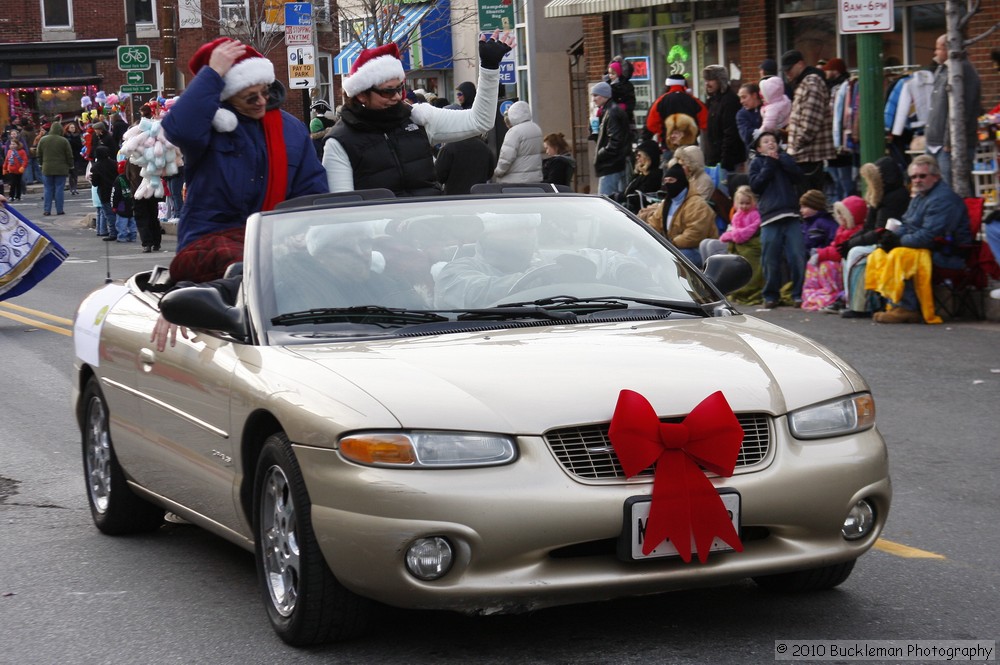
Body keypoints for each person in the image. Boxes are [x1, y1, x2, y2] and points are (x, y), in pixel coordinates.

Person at [162, 37, 328, 283]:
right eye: (250, 97)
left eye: (265, 92)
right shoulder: (209, 127)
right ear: (227, 98)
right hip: (211, 246)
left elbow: (313, 189)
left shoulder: (291, 129)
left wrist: (301, 229)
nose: (262, 101)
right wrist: (213, 74)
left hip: (277, 245)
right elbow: (179, 128)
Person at [323, 34, 513, 196]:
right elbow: (344, 210)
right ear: (361, 94)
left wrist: (489, 68)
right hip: (380, 238)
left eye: (400, 88)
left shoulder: (417, 118)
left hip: (429, 232)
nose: (398, 96)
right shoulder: (340, 141)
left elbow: (480, 121)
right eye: (387, 91)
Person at [865, 154, 972, 324]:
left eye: (922, 176)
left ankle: (907, 308)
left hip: (948, 254)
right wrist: (892, 236)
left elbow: (928, 236)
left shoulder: (942, 199)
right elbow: (907, 224)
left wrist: (898, 241)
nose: (917, 180)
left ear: (935, 177)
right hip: (927, 248)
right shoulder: (921, 196)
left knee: (899, 255)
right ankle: (892, 303)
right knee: (879, 253)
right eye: (914, 177)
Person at [839, 156, 910, 318]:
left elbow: (880, 230)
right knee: (848, 252)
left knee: (855, 253)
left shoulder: (896, 196)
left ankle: (860, 306)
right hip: (880, 239)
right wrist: (849, 242)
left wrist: (853, 243)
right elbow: (868, 227)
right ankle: (849, 299)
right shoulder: (880, 195)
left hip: (889, 243)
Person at [748, 130, 806, 308]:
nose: (770, 143)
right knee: (770, 258)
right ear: (758, 148)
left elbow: (798, 176)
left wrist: (781, 159)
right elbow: (756, 186)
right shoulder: (757, 163)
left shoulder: (785, 159)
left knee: (797, 255)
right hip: (770, 216)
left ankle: (798, 294)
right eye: (765, 141)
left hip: (791, 213)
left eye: (773, 141)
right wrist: (770, 163)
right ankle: (771, 295)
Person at [925, 34, 981, 189]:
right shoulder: (942, 69)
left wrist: (950, 140)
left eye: (938, 48)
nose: (935, 53)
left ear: (949, 49)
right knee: (930, 186)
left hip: (948, 145)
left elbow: (964, 109)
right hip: (933, 141)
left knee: (951, 187)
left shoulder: (964, 71)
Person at [699, 184, 764, 305]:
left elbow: (746, 232)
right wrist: (730, 235)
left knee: (711, 246)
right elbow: (732, 231)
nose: (744, 206)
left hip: (745, 243)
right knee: (705, 243)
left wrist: (733, 235)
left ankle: (717, 281)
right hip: (734, 240)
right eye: (741, 203)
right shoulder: (737, 215)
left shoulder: (755, 215)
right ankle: (708, 277)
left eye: (747, 203)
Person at [644, 161, 718, 267]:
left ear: (681, 182)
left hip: (696, 250)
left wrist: (671, 244)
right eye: (666, 181)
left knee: (669, 262)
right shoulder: (667, 203)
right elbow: (654, 223)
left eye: (671, 180)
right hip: (673, 247)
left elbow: (695, 234)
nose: (668, 184)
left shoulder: (697, 204)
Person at [781, 50, 835, 193]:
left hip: (808, 157)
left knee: (808, 203)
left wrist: (795, 147)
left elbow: (809, 125)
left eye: (789, 68)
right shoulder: (805, 83)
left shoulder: (811, 83)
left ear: (800, 64)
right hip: (805, 155)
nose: (787, 73)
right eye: (785, 70)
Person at [801, 194, 866, 311]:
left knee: (827, 265)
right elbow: (833, 246)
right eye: (839, 214)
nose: (840, 217)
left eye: (843, 214)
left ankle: (831, 294)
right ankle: (818, 292)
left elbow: (838, 251)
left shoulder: (854, 231)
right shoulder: (841, 230)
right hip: (835, 258)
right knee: (814, 264)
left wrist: (821, 253)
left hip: (842, 262)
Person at [644, 75, 708, 152]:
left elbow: (650, 125)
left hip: (668, 146)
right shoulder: (694, 101)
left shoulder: (660, 101)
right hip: (690, 147)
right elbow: (706, 123)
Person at [590, 80, 630, 197]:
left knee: (605, 201)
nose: (593, 99)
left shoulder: (611, 112)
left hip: (611, 165)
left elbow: (615, 141)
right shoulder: (609, 111)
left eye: (596, 95)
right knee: (617, 200)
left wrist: (601, 153)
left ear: (605, 96)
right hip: (615, 163)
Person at [702, 65, 743, 176]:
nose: (707, 83)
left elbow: (730, 133)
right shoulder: (712, 100)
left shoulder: (730, 101)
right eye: (706, 80)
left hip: (726, 161)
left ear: (720, 80)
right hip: (713, 158)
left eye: (711, 79)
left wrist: (725, 161)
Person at [823, 58, 854, 203]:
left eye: (828, 69)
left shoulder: (843, 87)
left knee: (842, 177)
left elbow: (836, 113)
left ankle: (845, 202)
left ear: (835, 70)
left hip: (840, 139)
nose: (826, 73)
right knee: (837, 176)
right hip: (835, 139)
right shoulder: (835, 87)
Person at [492, 100, 543, 184]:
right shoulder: (536, 128)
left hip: (514, 181)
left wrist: (498, 172)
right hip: (534, 179)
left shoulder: (514, 132)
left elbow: (506, 158)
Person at [35, 121, 73, 216]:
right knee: (59, 189)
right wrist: (71, 165)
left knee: (48, 189)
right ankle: (59, 210)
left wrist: (41, 164)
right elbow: (69, 155)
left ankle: (47, 210)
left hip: (47, 168)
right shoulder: (64, 141)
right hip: (61, 168)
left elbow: (38, 154)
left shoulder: (43, 140)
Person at [617, 140, 662, 214]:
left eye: (639, 155)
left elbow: (637, 195)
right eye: (636, 156)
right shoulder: (641, 173)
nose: (637, 158)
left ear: (648, 157)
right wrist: (636, 173)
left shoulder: (654, 175)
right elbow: (628, 189)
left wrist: (618, 197)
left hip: (640, 211)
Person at [799, 189, 838, 259]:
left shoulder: (824, 222)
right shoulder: (805, 224)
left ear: (815, 206)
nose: (801, 210)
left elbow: (834, 240)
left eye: (804, 207)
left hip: (821, 259)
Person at [89, 145, 118, 240]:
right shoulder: (115, 164)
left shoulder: (95, 167)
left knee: (109, 213)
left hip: (104, 193)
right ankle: (123, 230)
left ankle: (113, 233)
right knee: (120, 211)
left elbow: (95, 183)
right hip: (117, 191)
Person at [110, 159, 138, 244]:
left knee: (121, 221)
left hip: (121, 204)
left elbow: (115, 194)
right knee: (132, 221)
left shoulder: (119, 179)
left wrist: (114, 206)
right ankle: (133, 236)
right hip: (132, 202)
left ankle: (122, 236)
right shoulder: (133, 177)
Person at [736, 83, 763, 158]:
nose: (741, 101)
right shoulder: (741, 114)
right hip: (754, 157)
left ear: (754, 95)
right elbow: (746, 135)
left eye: (744, 97)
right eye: (740, 98)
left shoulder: (767, 108)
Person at [63, 121, 86, 195]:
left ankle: (74, 188)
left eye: (73, 127)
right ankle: (71, 187)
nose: (73, 129)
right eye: (71, 127)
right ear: (68, 128)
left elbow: (79, 145)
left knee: (75, 172)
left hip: (76, 155)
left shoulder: (77, 136)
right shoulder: (65, 136)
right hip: (69, 156)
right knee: (70, 173)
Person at [3, 137, 28, 201]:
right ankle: (11, 196)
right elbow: (6, 160)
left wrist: (23, 167)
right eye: (11, 144)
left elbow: (25, 160)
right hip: (11, 169)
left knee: (18, 183)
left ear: (17, 144)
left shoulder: (22, 151)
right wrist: (4, 168)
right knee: (12, 183)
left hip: (19, 170)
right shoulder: (9, 151)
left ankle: (18, 196)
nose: (12, 145)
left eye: (14, 144)